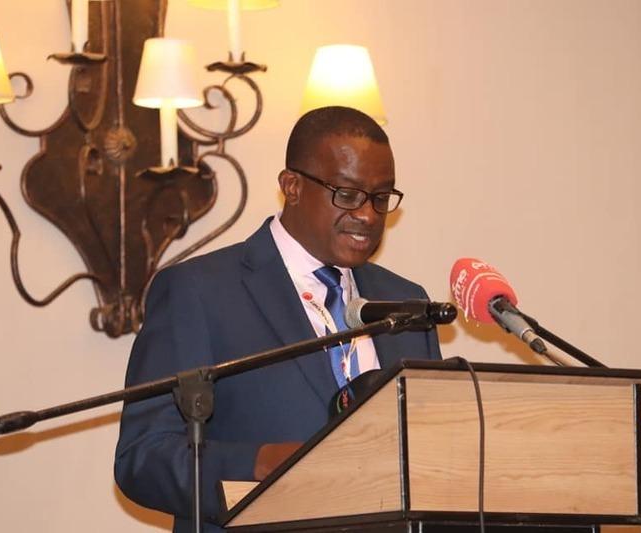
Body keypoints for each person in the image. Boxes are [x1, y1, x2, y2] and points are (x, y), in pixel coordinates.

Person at [114, 106, 443, 532]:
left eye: (381, 198)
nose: (368, 215)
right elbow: (142, 457)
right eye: (347, 194)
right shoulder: (200, 291)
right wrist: (258, 464)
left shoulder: (405, 302)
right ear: (292, 186)